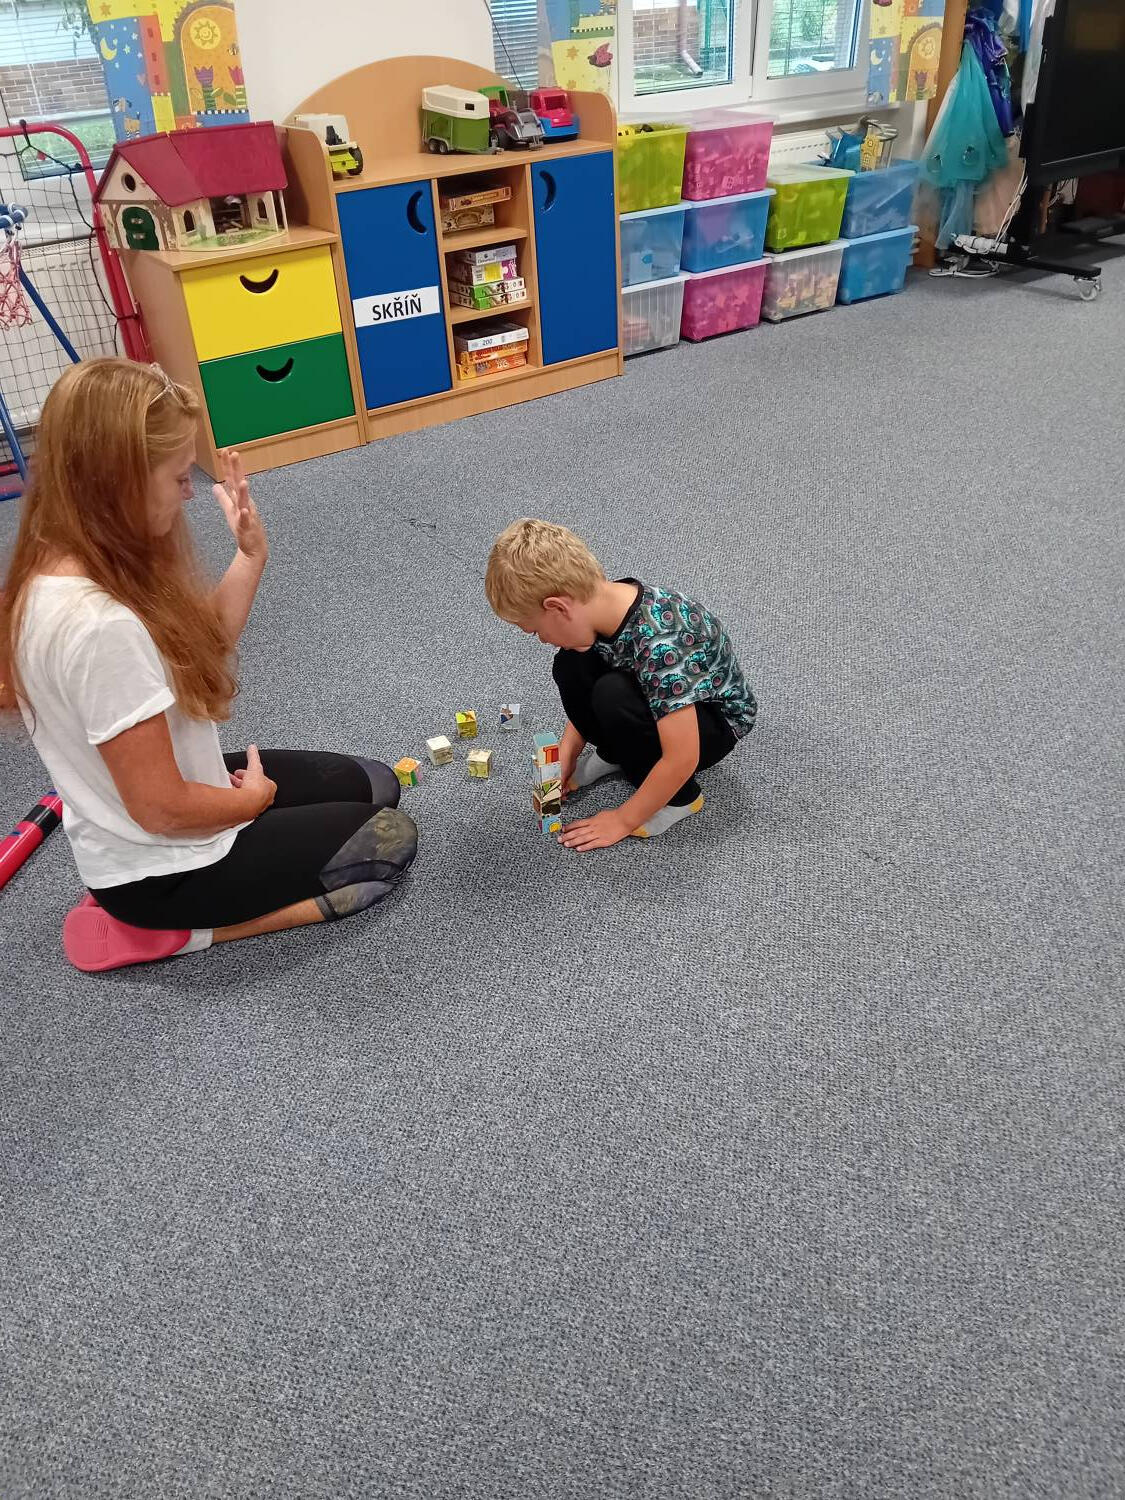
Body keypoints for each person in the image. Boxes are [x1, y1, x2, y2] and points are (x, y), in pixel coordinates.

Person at [0, 359, 417, 972]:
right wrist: (252, 803)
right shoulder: (98, 627)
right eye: (177, 477)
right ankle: (179, 934)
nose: (189, 492)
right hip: (161, 868)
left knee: (378, 784)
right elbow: (162, 808)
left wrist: (250, 556)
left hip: (161, 800)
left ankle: (182, 897)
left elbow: (195, 651)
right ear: (120, 482)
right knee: (387, 841)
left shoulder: (70, 563)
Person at [485, 518, 756, 853]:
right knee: (571, 664)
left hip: (712, 727)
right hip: (661, 702)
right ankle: (616, 753)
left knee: (612, 694)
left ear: (557, 607)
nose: (541, 639)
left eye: (536, 630)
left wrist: (623, 819)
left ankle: (682, 799)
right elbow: (599, 673)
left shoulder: (662, 645)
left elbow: (683, 757)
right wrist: (567, 753)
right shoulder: (599, 604)